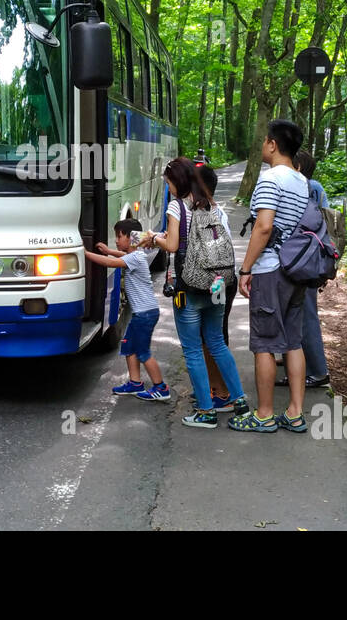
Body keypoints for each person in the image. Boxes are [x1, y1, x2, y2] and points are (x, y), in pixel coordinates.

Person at [149, 158, 248, 428]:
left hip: (190, 285)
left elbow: (171, 244)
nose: (167, 187)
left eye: (168, 182)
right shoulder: (211, 204)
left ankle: (205, 411)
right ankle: (239, 400)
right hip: (217, 283)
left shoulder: (177, 206)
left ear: (177, 181)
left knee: (193, 349)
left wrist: (152, 237)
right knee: (216, 342)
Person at [231, 120, 311, 433]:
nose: (263, 145)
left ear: (273, 145)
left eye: (265, 141)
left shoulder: (270, 179)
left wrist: (246, 268)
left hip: (270, 269)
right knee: (293, 341)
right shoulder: (301, 181)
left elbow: (263, 226)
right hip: (295, 269)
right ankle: (295, 411)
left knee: (264, 343)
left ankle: (264, 414)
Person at [84, 219, 170, 401]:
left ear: (131, 239)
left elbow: (110, 264)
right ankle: (135, 383)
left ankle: (161, 387)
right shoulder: (135, 255)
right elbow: (120, 257)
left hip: (145, 314)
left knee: (143, 351)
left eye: (119, 236)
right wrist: (109, 251)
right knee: (129, 345)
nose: (116, 240)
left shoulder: (135, 258)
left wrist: (85, 254)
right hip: (144, 312)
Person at [194, 162, 247, 414]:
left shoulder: (209, 215)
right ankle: (216, 389)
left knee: (214, 339)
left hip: (217, 283)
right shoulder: (210, 210)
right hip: (220, 281)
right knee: (210, 337)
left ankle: (225, 393)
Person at [279, 150, 330, 389]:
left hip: (301, 259)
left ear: (297, 167)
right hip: (310, 258)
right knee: (299, 314)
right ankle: (299, 364)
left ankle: (318, 371)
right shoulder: (317, 188)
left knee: (305, 315)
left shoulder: (303, 187)